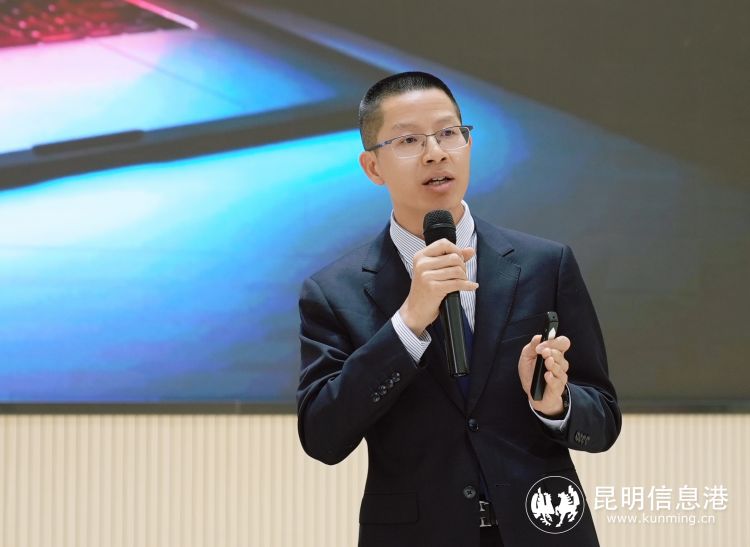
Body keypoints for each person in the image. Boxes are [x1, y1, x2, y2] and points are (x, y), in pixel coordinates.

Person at [296, 71, 621, 547]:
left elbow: (604, 419)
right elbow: (322, 437)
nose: (435, 153)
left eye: (449, 132)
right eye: (409, 140)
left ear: (467, 143)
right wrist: (408, 324)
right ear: (373, 167)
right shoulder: (333, 292)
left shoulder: (544, 265)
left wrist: (555, 403)